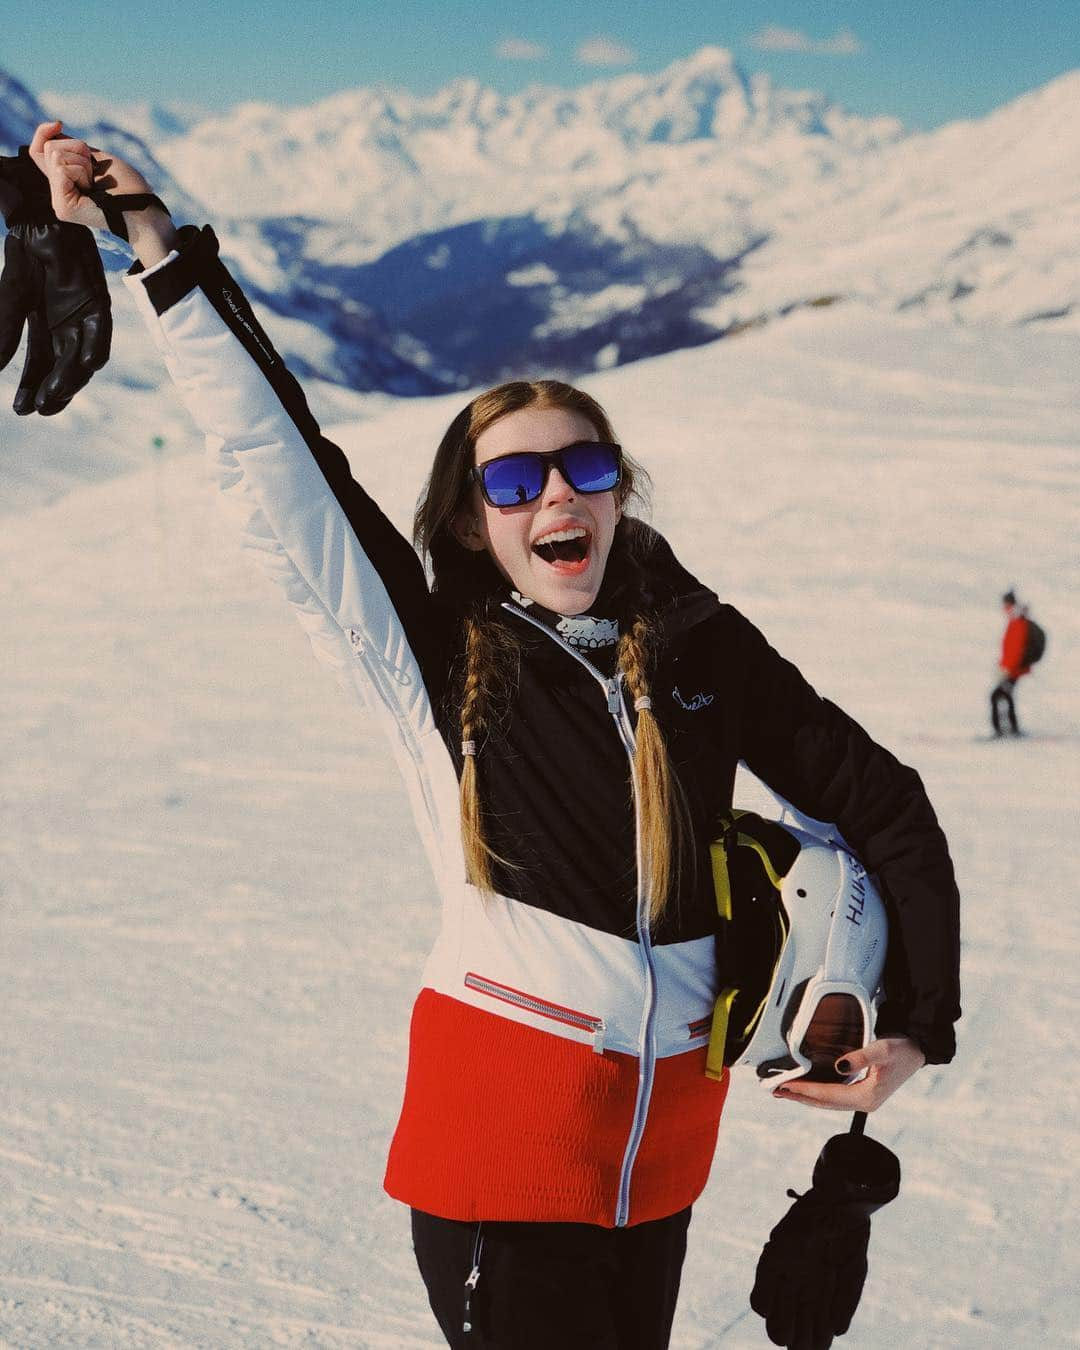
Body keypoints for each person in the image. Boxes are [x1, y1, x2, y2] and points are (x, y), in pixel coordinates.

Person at [19, 123, 961, 1350]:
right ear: (474, 522)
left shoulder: (704, 651)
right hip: (502, 1166)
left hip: (662, 1168)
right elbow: (281, 459)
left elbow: (885, 805)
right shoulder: (440, 662)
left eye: (583, 465)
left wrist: (915, 1029)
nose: (556, 495)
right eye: (515, 482)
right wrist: (154, 238)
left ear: (620, 487)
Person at [991, 589, 1032, 736]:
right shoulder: (1016, 619)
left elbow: (1015, 648)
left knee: (996, 696)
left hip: (1013, 670)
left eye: (1005, 603)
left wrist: (1007, 669)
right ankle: (1012, 729)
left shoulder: (1017, 621)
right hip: (1012, 669)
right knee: (1005, 696)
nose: (1004, 607)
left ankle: (1001, 730)